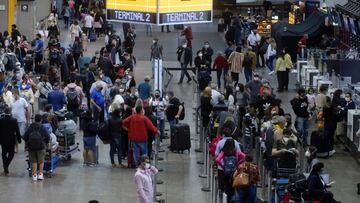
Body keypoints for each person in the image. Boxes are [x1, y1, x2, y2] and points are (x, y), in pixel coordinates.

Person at [23, 114, 50, 181]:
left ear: (35, 119)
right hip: (41, 146)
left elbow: (25, 136)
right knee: (41, 161)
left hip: (31, 147)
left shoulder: (30, 127)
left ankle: (34, 175)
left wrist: (28, 142)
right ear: (41, 120)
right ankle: (40, 174)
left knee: (34, 161)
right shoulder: (43, 127)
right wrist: (46, 143)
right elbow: (48, 136)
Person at [0, 107, 21, 175]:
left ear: (4, 112)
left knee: (4, 153)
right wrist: (19, 139)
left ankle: (5, 166)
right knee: (11, 153)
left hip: (2, 140)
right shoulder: (14, 120)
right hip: (11, 140)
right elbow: (17, 131)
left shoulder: (1, 120)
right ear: (10, 112)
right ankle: (6, 165)